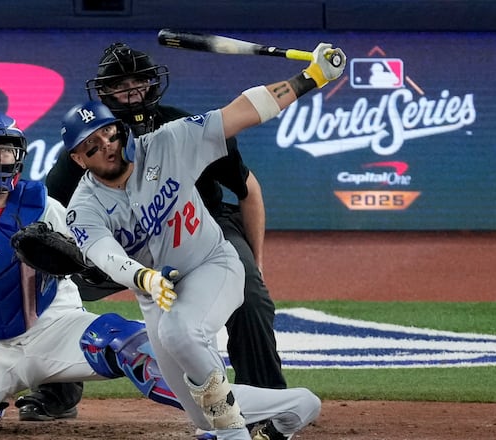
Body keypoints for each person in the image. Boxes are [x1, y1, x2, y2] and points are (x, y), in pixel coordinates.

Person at [59, 43, 346, 440]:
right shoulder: (83, 205)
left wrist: (311, 78)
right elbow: (104, 255)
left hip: (211, 264)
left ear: (118, 129)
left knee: (183, 334)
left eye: (108, 133)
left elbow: (242, 111)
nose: (104, 145)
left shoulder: (170, 140)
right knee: (197, 409)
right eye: (91, 145)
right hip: (156, 293)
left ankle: (234, 434)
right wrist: (143, 279)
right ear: (78, 159)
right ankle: (297, 405)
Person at [22, 42, 287, 436]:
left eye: (138, 79)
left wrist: (256, 267)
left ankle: (267, 406)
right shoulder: (84, 148)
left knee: (249, 293)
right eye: (119, 83)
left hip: (201, 226)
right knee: (45, 282)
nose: (130, 89)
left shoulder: (181, 125)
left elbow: (247, 189)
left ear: (152, 82)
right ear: (104, 91)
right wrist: (66, 260)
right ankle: (55, 393)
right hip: (124, 244)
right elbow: (53, 216)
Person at [0, 110, 181, 437]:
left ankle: (221, 413)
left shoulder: (44, 207)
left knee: (132, 346)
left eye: (6, 149)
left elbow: (93, 254)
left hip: (57, 330)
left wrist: (82, 262)